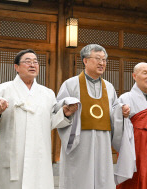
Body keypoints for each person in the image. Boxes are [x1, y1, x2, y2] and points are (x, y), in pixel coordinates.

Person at [0, 49, 79, 189]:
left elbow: (51, 121)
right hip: (12, 153)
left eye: (35, 62)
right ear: (16, 67)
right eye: (27, 62)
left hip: (38, 153)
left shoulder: (47, 93)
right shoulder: (4, 89)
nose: (32, 65)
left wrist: (65, 112)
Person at [56, 44, 130, 189]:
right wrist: (65, 111)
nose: (102, 63)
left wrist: (122, 111)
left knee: (102, 178)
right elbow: (57, 109)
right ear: (85, 60)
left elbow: (114, 109)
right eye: (97, 59)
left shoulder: (109, 87)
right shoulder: (70, 84)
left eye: (104, 60)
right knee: (79, 180)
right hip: (79, 141)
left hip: (103, 140)